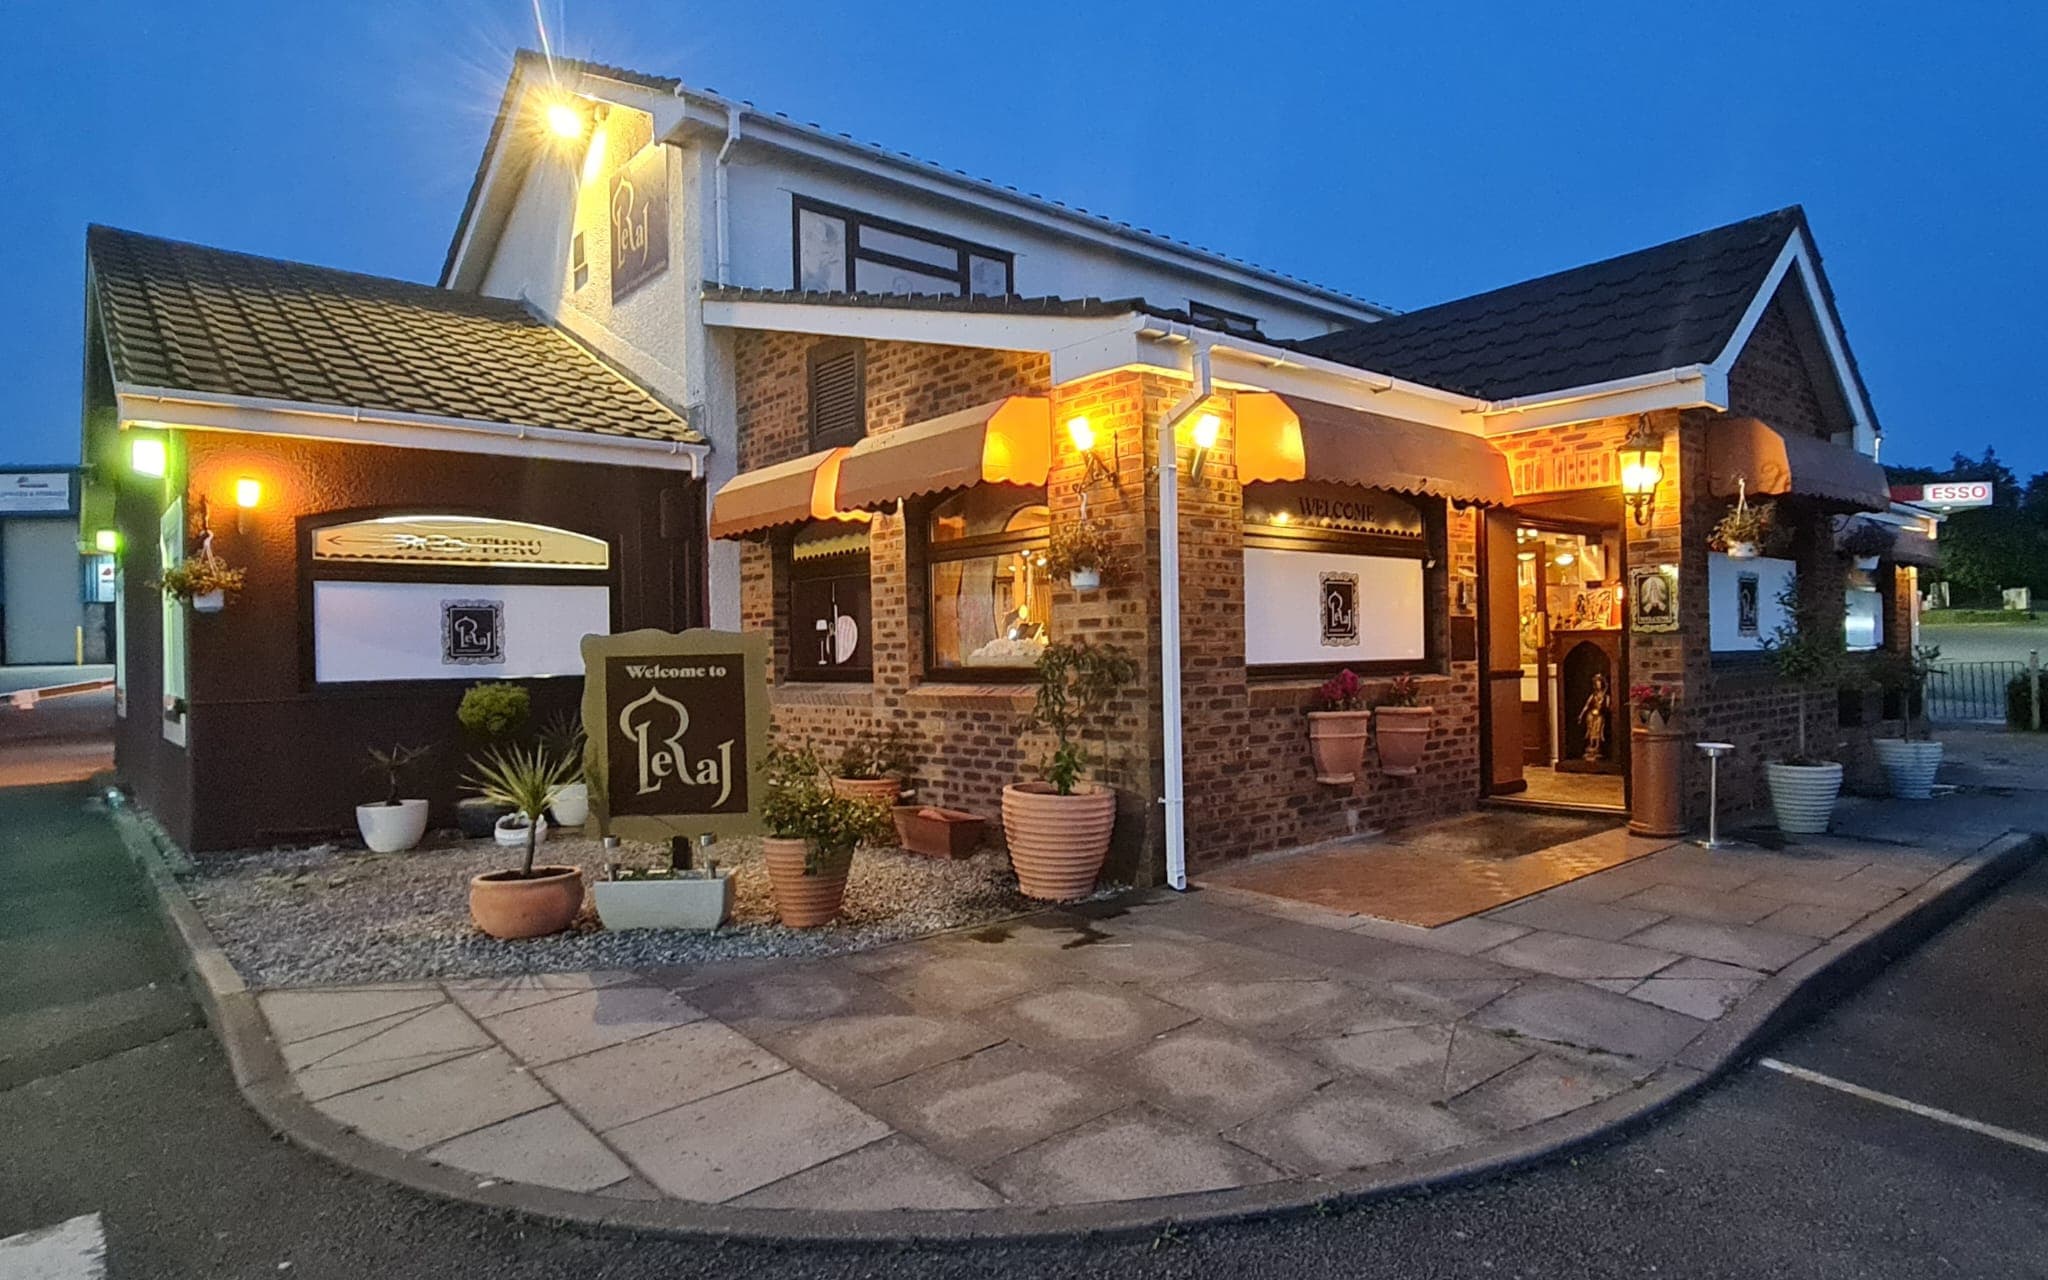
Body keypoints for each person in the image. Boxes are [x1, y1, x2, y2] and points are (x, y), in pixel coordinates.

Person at [1580, 673, 1610, 761]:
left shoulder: (1605, 696)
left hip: (1599, 714)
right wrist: (1581, 715)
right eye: (1596, 683)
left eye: (1599, 683)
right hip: (1591, 714)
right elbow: (1586, 705)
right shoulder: (1593, 695)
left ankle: (1597, 746)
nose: (1598, 685)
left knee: (1598, 729)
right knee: (1591, 729)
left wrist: (1603, 706)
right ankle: (1591, 745)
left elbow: (1607, 707)